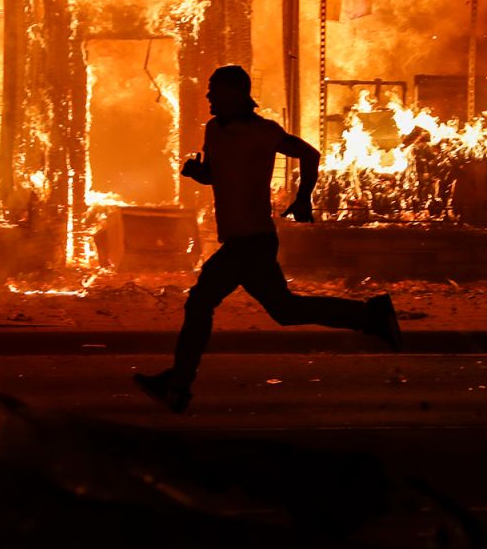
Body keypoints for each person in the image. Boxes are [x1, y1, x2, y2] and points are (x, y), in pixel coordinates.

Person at [134, 65, 401, 414]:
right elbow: (216, 174)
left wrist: (304, 197)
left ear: (236, 93)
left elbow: (310, 154)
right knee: (284, 311)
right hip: (240, 239)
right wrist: (198, 173)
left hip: (253, 241)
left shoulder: (263, 132)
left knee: (200, 303)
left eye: (215, 90)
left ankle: (178, 384)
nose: (209, 96)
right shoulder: (213, 131)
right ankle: (371, 315)